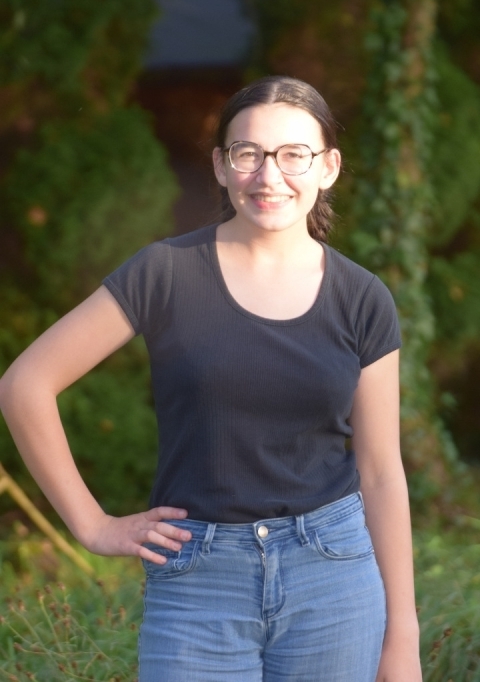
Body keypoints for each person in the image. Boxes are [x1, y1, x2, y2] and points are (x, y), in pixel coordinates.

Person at [0, 75, 422, 681]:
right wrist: (92, 526)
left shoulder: (362, 298)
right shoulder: (165, 274)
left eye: (293, 154)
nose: (269, 176)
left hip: (332, 578)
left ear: (327, 167)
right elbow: (25, 385)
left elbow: (380, 472)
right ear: (222, 166)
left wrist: (402, 634)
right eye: (249, 153)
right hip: (197, 581)